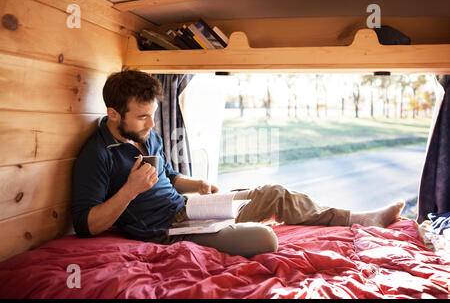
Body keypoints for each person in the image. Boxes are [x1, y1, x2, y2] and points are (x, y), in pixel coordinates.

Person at [71, 70, 405, 258]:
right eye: (142, 117)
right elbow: (87, 225)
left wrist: (196, 185)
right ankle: (225, 226)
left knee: (272, 193)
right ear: (113, 114)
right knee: (265, 240)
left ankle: (357, 218)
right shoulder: (97, 155)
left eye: (153, 115)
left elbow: (169, 177)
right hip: (167, 231)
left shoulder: (145, 135)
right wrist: (130, 191)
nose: (151, 124)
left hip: (190, 208)